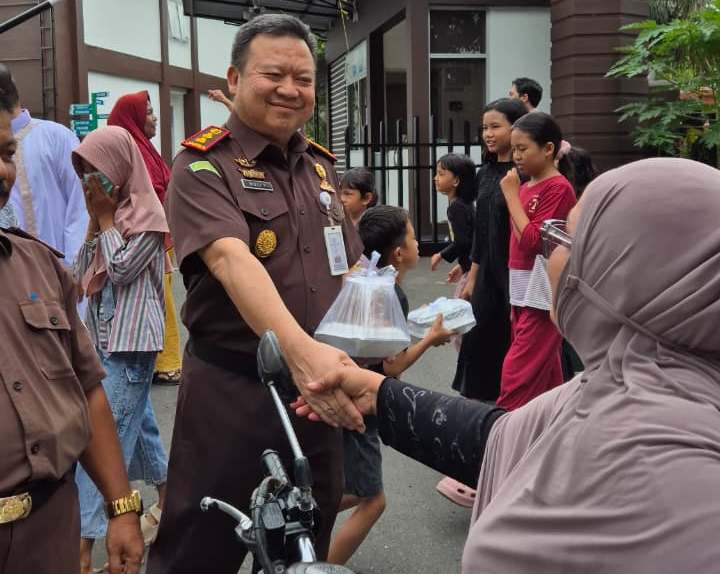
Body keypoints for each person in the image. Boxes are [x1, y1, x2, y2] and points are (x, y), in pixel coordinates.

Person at [295, 157, 720, 574]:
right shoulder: (632, 379)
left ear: (630, 275)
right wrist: (379, 394)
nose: (552, 254)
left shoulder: (678, 470)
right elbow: (506, 437)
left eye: (566, 238)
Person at [146, 15, 365, 574]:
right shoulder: (202, 165)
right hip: (233, 394)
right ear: (235, 78)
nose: (290, 89)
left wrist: (374, 337)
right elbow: (230, 260)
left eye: (303, 79)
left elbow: (350, 267)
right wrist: (304, 356)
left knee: (305, 546)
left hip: (316, 396)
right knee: (200, 549)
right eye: (273, 74)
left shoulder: (320, 168)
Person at [0, 72, 144, 574]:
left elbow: (83, 386)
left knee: (134, 421)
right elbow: (92, 266)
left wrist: (122, 506)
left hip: (47, 529)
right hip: (111, 332)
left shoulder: (39, 265)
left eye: (6, 154)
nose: (2, 171)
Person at [329, 205, 453, 565]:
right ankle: (318, 566)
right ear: (399, 253)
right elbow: (392, 364)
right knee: (372, 499)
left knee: (346, 486)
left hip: (341, 389)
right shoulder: (390, 292)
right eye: (413, 237)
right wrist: (430, 339)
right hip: (366, 399)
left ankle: (299, 520)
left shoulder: (361, 280)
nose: (418, 243)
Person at [71, 126, 170, 573]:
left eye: (98, 172)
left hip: (130, 346)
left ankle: (82, 545)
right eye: (86, 175)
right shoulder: (109, 216)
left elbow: (122, 269)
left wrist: (108, 221)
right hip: (106, 344)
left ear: (120, 168)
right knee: (140, 427)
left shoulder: (148, 216)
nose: (93, 183)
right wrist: (96, 224)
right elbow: (81, 274)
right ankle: (170, 498)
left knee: (102, 440)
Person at [498, 112, 576, 410]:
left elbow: (533, 241)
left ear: (548, 149)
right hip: (522, 283)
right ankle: (553, 422)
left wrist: (511, 197)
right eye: (514, 149)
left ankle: (503, 425)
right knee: (543, 369)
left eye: (522, 148)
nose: (516, 156)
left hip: (541, 288)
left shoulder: (557, 187)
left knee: (517, 371)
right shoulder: (525, 186)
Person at [454, 99, 527, 406]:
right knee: (480, 333)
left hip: (517, 270)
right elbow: (481, 232)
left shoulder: (525, 174)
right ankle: (484, 408)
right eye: (485, 127)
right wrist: (471, 276)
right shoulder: (484, 173)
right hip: (487, 270)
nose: (488, 134)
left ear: (516, 128)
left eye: (496, 127)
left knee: (518, 337)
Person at [108, 91, 183, 387]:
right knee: (155, 300)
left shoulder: (145, 148)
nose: (154, 118)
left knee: (161, 299)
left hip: (159, 236)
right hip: (142, 239)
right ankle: (164, 364)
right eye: (148, 112)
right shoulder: (132, 153)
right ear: (134, 118)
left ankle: (160, 362)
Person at [0, 64, 87, 266]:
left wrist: (72, 272)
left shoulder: (57, 138)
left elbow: (80, 210)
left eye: (8, 154)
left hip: (56, 272)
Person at [430, 153, 475, 280]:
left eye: (441, 174)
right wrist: (462, 265)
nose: (435, 178)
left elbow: (462, 242)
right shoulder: (464, 203)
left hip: (473, 269)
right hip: (472, 265)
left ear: (456, 181)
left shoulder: (457, 207)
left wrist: (440, 255)